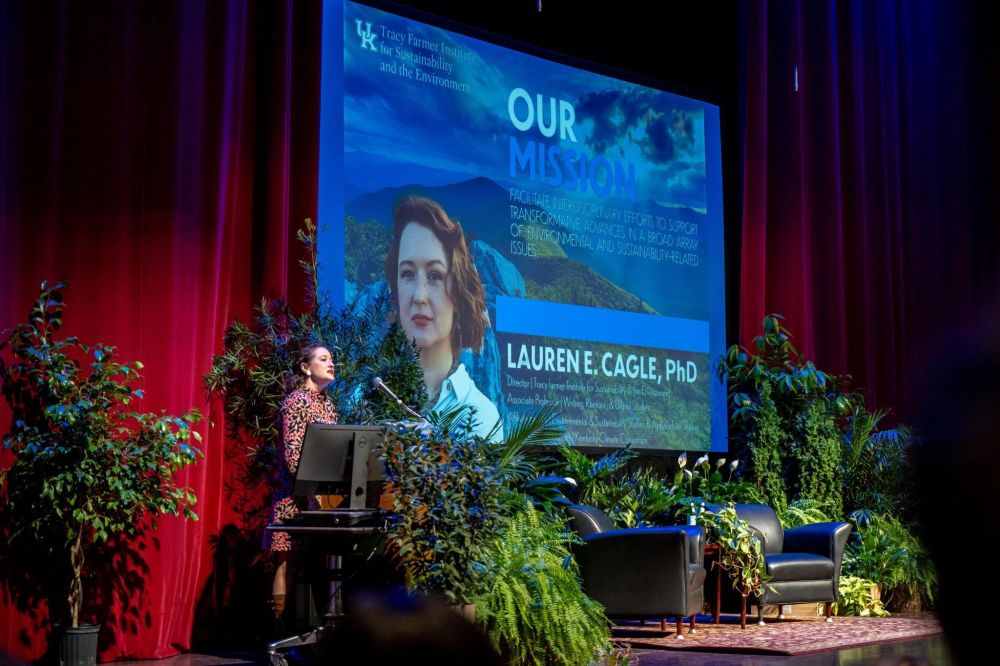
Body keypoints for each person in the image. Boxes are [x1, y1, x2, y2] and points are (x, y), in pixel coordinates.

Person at [384, 195, 501, 441]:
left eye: (435, 276)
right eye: (407, 274)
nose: (419, 296)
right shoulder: (364, 396)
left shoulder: (480, 416)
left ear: (458, 292)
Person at [268, 343, 339, 618]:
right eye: (323, 359)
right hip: (293, 498)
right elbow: (294, 456)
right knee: (287, 562)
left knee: (312, 564)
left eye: (332, 359)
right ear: (306, 367)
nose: (331, 363)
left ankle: (305, 627)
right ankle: (277, 636)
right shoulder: (295, 402)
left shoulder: (328, 405)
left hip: (321, 498)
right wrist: (317, 489)